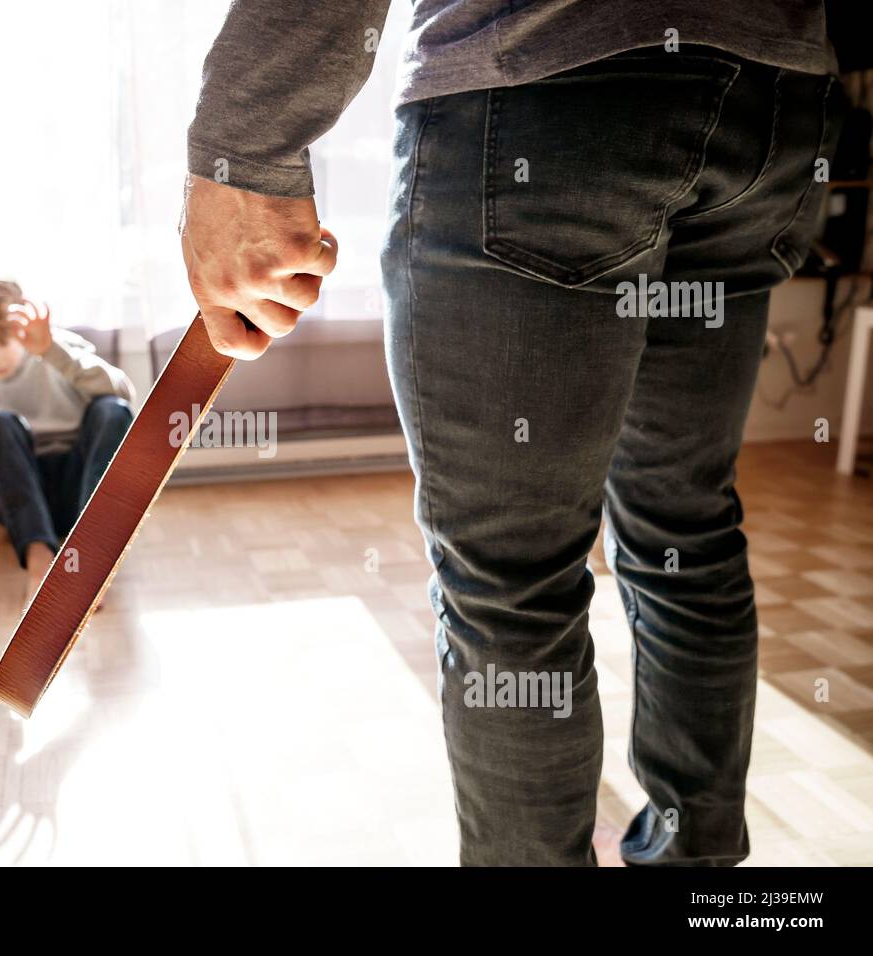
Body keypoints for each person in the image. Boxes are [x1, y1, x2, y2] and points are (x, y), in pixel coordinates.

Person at [180, 1, 839, 865]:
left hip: (549, 88)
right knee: (687, 529)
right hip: (777, 104)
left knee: (512, 583)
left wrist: (247, 143)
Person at [0, 277, 135, 602]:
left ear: (21, 328)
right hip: (18, 500)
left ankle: (92, 560)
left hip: (80, 491)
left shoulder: (54, 347)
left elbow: (123, 398)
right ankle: (40, 563)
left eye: (2, 343)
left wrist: (51, 350)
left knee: (110, 409)